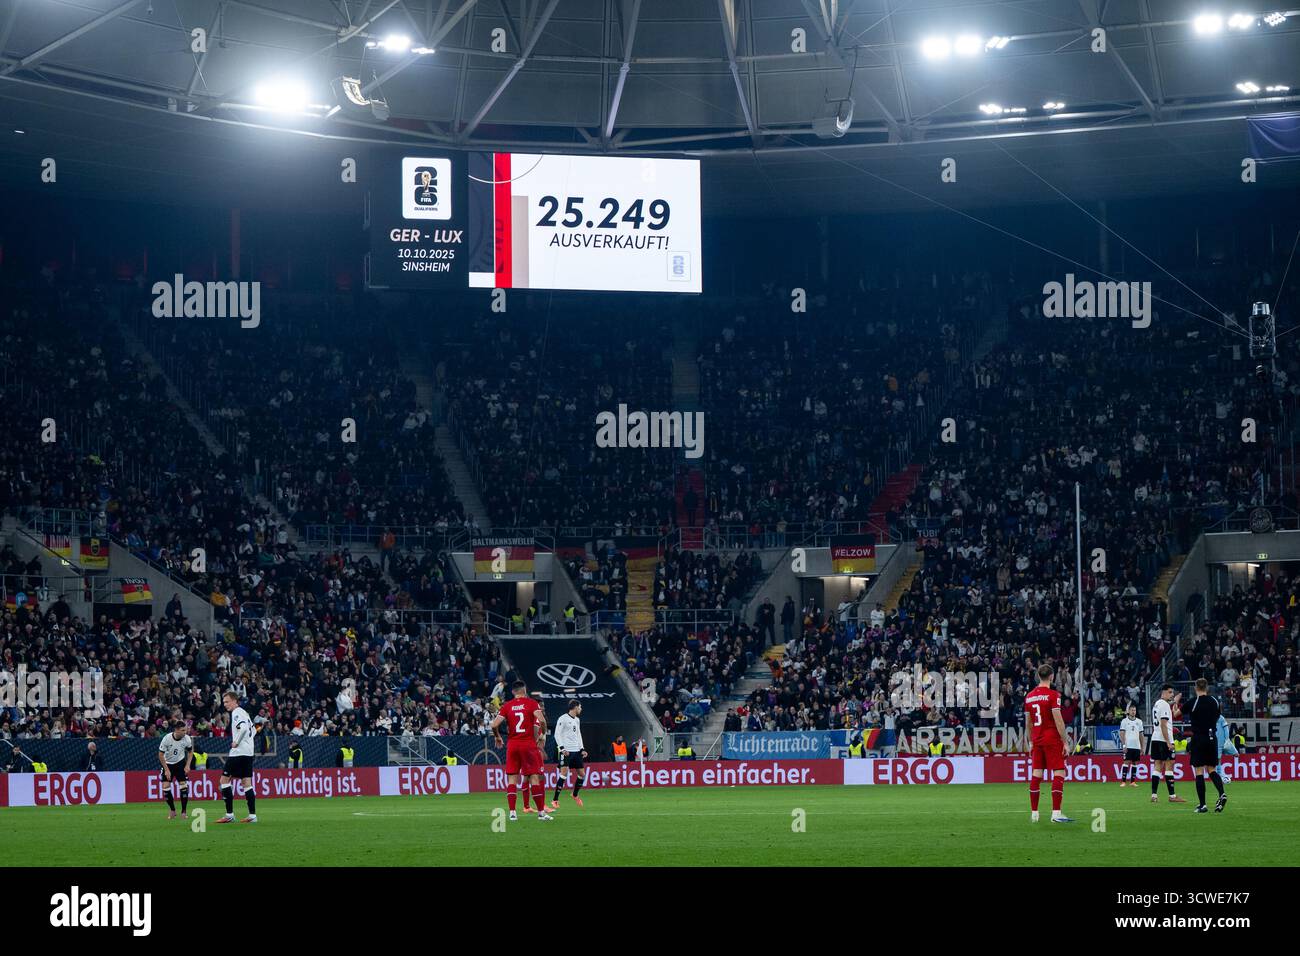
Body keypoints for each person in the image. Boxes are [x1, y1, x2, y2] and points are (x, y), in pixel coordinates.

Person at [490, 680, 552, 822]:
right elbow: (542, 721)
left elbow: (494, 725)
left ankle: (512, 813)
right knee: (534, 778)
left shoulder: (507, 706)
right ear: (524, 691)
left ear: (513, 692)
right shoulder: (531, 703)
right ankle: (541, 813)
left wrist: (498, 737)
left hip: (512, 745)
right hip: (528, 744)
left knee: (512, 779)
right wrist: (542, 734)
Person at [1023, 663, 1073, 823]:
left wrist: (1030, 742)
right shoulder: (1053, 695)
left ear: (1039, 676)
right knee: (1059, 773)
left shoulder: (1029, 696)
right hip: (1051, 739)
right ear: (1051, 677)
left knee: (1036, 774)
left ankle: (1034, 813)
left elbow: (1028, 722)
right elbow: (1058, 720)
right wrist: (1065, 742)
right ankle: (1056, 813)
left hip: (1037, 739)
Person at [1181, 680, 1227, 814]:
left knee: (1199, 771)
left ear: (1195, 687)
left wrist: (1174, 703)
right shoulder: (1214, 701)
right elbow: (1218, 715)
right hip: (1212, 738)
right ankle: (1222, 793)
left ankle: (1203, 805)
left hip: (1199, 738)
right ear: (1207, 687)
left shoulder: (1193, 702)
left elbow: (1177, 713)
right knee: (1212, 769)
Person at [216, 691, 258, 824]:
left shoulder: (236, 712)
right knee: (247, 783)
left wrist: (237, 742)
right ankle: (252, 816)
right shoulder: (245, 713)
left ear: (235, 701)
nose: (225, 705)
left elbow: (244, 729)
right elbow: (254, 730)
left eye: (227, 702)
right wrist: (247, 743)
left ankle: (229, 815)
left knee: (224, 780)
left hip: (238, 752)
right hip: (248, 752)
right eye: (224, 702)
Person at [1149, 684, 1185, 804]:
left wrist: (1175, 700)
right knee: (1170, 765)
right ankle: (1172, 796)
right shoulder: (1164, 705)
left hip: (1155, 738)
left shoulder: (1157, 704)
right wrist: (1169, 742)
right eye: (1170, 692)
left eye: (1172, 692)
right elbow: (1164, 724)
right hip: (1165, 739)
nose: (1172, 694)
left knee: (1157, 766)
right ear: (1163, 692)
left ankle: (1154, 795)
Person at [551, 699, 587, 809]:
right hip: (566, 751)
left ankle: (575, 794)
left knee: (582, 774)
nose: (581, 709)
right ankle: (555, 800)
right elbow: (557, 734)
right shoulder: (563, 718)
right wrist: (562, 748)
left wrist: (582, 749)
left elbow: (578, 734)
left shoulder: (577, 720)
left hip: (576, 751)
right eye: (580, 707)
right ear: (575, 707)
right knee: (564, 774)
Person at [158, 720, 194, 819]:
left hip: (180, 764)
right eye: (183, 730)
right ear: (176, 730)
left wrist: (187, 765)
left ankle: (184, 812)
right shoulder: (167, 739)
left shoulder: (186, 739)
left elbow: (190, 752)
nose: (185, 732)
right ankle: (172, 810)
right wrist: (166, 770)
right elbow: (160, 755)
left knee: (183, 786)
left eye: (185, 730)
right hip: (168, 764)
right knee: (165, 787)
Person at [1118, 704, 1144, 787]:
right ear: (1128, 711)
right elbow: (1122, 733)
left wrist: (1142, 747)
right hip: (1128, 745)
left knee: (1135, 763)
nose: (1133, 712)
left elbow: (1141, 735)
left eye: (1134, 710)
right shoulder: (1124, 721)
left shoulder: (1139, 722)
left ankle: (1132, 782)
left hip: (1136, 746)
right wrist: (1124, 745)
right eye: (1132, 710)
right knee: (1126, 762)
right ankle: (1123, 781)